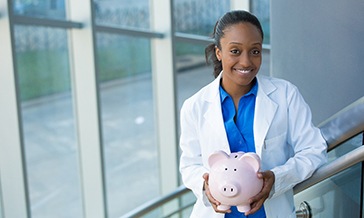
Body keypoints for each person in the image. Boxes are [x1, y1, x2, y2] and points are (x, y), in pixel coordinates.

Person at [179, 10, 327, 218]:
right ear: (219, 52)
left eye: (255, 51)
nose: (247, 62)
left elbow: (314, 149)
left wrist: (277, 178)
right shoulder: (194, 106)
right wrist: (206, 187)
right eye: (235, 51)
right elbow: (189, 165)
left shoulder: (285, 95)